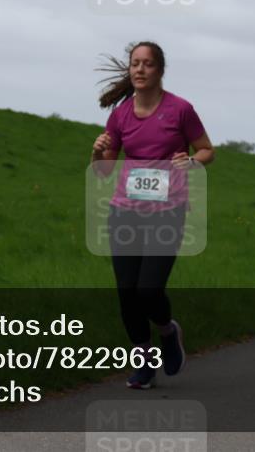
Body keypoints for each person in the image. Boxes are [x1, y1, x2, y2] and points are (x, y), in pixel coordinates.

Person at [91, 41, 214, 389]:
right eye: (135, 64)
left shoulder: (180, 110)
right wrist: (96, 151)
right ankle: (144, 363)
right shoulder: (120, 115)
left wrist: (191, 161)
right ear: (130, 70)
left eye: (147, 64)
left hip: (167, 212)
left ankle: (168, 332)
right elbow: (102, 172)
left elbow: (207, 150)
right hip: (125, 212)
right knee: (127, 293)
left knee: (148, 290)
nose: (140, 70)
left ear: (160, 70)